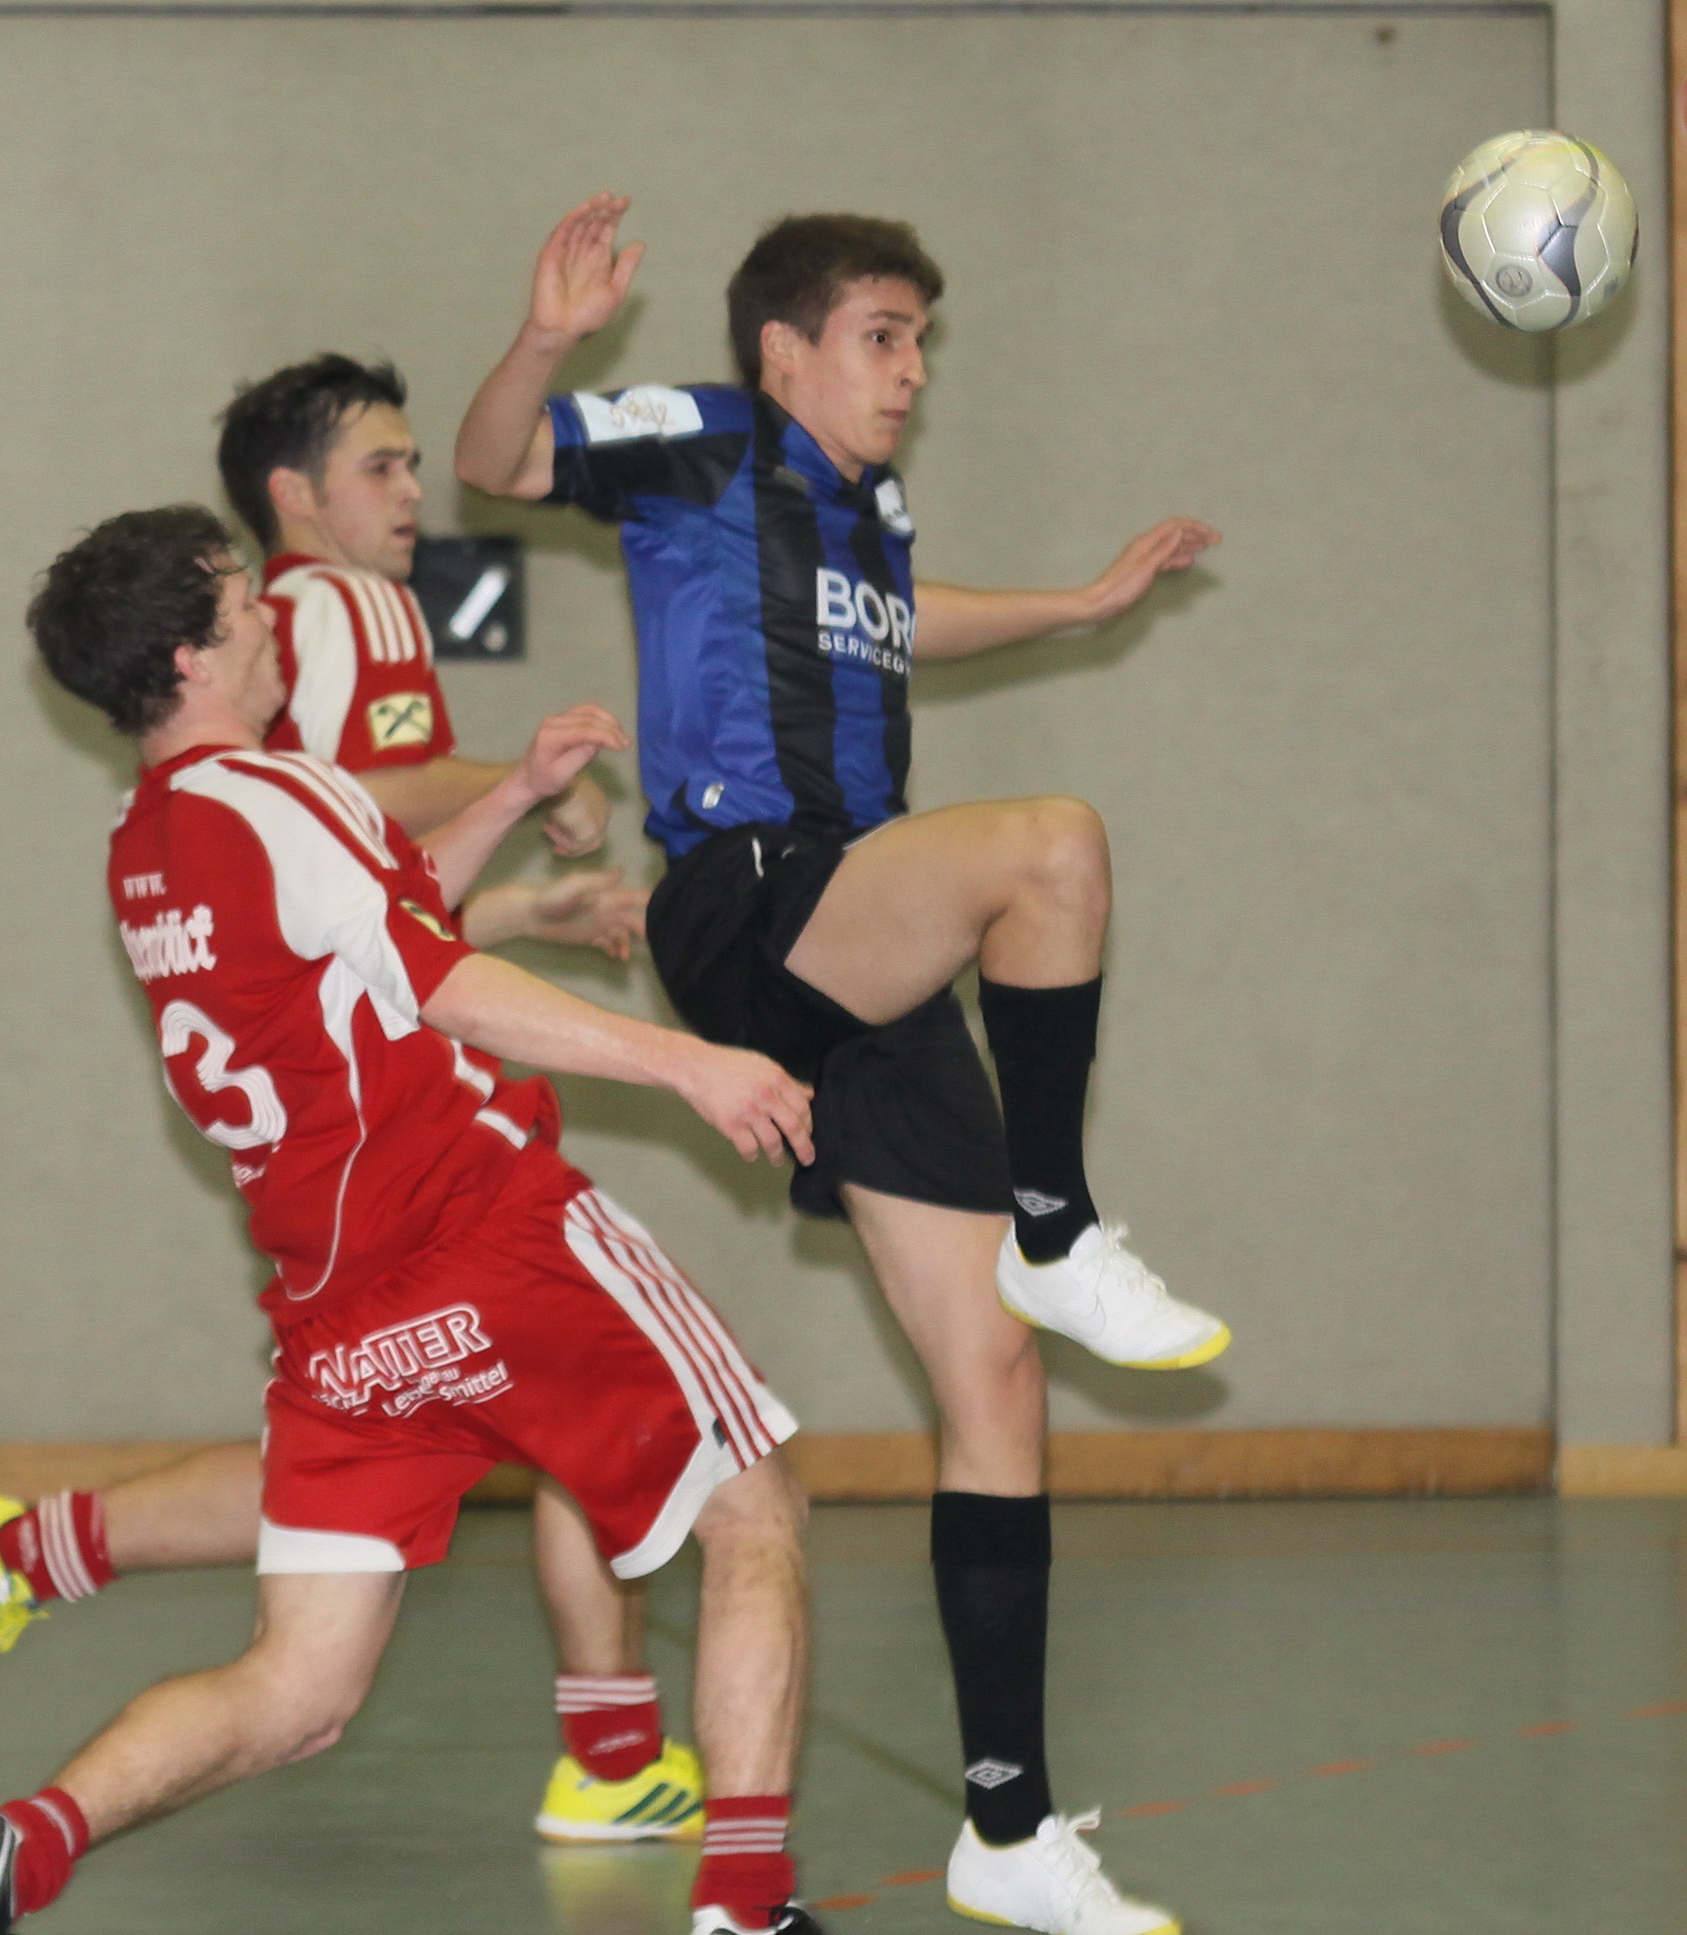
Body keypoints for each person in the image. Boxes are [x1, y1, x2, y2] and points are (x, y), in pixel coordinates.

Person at [0, 505, 822, 1935]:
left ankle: (21, 1846)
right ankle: (746, 1909)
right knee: (754, 1501)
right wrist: (686, 1063)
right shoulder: (278, 792)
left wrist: (512, 794)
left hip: (342, 1312)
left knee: (298, 1690)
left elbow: (369, 922)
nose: (275, 617)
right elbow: (434, 980)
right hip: (485, 1234)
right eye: (245, 603)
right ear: (192, 656)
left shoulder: (150, 845)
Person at [455, 195, 1223, 1934]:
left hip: (864, 940)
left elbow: (902, 616)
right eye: (884, 338)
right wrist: (549, 341)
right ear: (785, 349)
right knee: (1051, 847)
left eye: (922, 342)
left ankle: (1007, 1830)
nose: (911, 372)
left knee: (996, 1384)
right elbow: (497, 463)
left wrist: (1084, 603)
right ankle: (1061, 1221)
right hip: (745, 893)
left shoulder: (866, 515)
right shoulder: (708, 438)